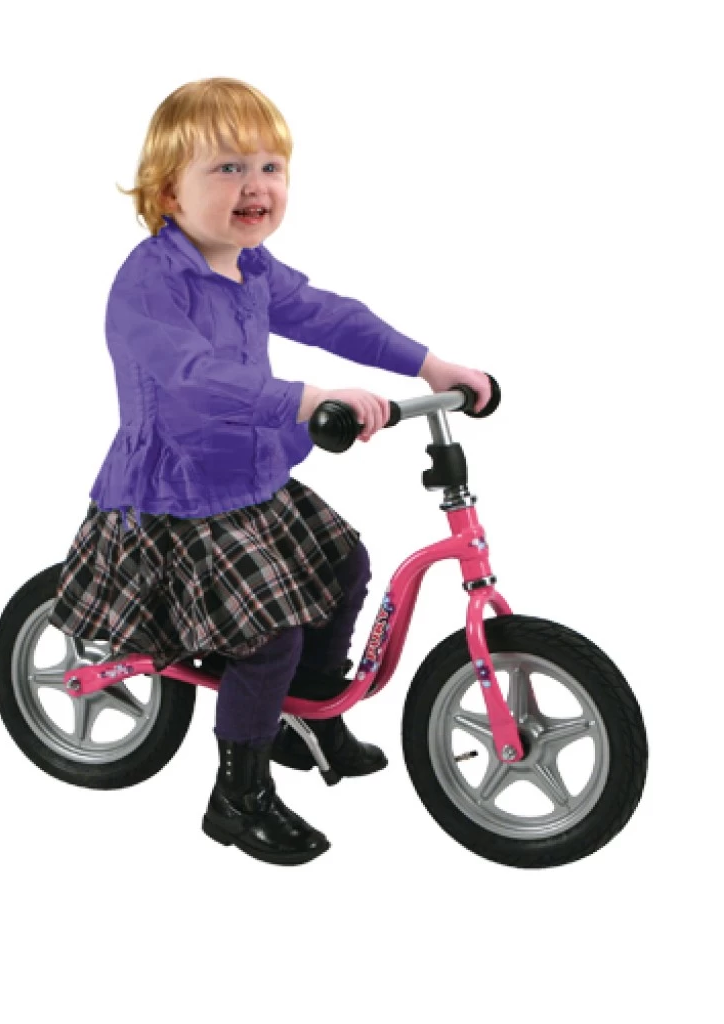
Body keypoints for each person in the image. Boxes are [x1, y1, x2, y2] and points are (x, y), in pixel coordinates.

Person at [49, 77, 491, 867]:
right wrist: (308, 399)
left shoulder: (251, 267)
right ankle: (238, 796)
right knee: (265, 634)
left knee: (342, 563)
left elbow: (329, 315)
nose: (254, 185)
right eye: (227, 168)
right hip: (177, 497)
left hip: (250, 477)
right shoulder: (150, 283)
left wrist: (429, 364)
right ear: (168, 192)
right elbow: (193, 378)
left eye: (269, 167)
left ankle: (304, 712)